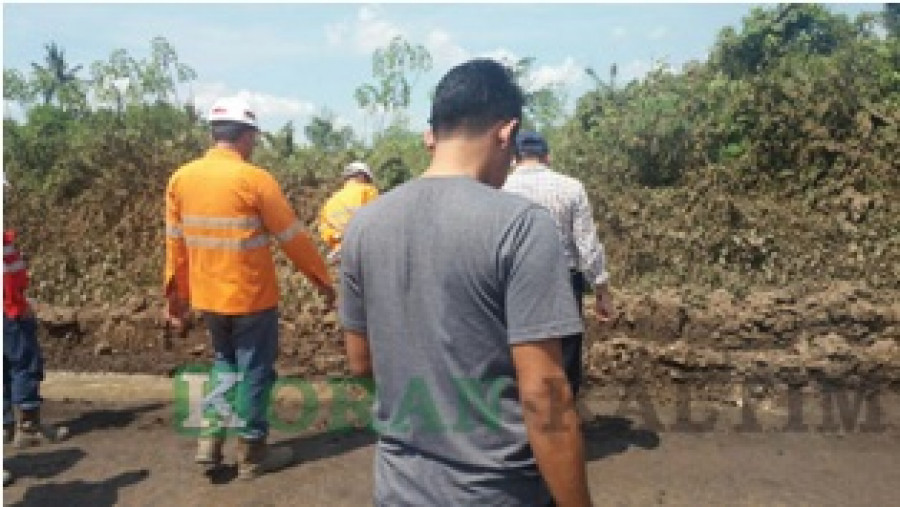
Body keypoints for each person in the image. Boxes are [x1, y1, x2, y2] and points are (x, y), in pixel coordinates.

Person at [340, 59, 593, 506]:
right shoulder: (520, 226)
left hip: (398, 488)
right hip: (494, 492)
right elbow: (543, 395)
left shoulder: (364, 225)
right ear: (506, 132)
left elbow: (361, 362)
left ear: (432, 134)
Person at [164, 96, 335, 480]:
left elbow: (175, 245)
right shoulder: (254, 180)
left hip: (209, 297)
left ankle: (210, 438)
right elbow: (293, 237)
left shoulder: (182, 178)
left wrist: (176, 299)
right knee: (255, 370)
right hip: (251, 297)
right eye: (253, 137)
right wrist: (323, 280)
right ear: (244, 136)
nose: (254, 144)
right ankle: (252, 451)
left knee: (224, 364)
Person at [503, 131, 614, 397]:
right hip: (562, 281)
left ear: (513, 158)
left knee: (516, 356)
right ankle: (561, 425)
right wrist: (601, 290)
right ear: (547, 158)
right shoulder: (571, 188)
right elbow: (587, 245)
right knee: (564, 358)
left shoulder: (500, 188)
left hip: (512, 281)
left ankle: (521, 428)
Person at [4, 224, 69, 487]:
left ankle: (9, 423)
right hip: (9, 314)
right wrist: (18, 308)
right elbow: (7, 281)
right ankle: (28, 424)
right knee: (24, 363)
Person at [318, 161, 379, 263]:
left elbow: (324, 230)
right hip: (365, 250)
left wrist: (337, 239)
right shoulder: (368, 191)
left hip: (342, 254)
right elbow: (379, 217)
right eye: (367, 179)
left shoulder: (330, 201)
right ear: (361, 176)